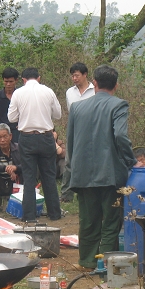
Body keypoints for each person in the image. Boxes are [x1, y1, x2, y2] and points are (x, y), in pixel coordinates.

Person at [67, 65, 135, 270]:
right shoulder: (118, 105)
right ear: (116, 85)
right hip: (110, 173)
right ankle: (106, 263)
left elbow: (70, 143)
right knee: (111, 221)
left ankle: (87, 261)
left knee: (88, 220)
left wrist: (72, 169)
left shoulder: (77, 107)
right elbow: (120, 135)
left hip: (82, 173)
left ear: (94, 83)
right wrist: (130, 161)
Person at [7, 67, 63, 222]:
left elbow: (11, 118)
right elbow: (58, 114)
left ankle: (29, 216)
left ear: (23, 80)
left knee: (29, 177)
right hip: (46, 137)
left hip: (27, 138)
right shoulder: (48, 91)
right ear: (39, 78)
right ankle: (54, 213)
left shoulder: (18, 93)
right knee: (49, 176)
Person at [61, 62, 95, 203]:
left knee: (90, 161)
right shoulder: (70, 92)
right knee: (69, 161)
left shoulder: (94, 91)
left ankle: (88, 192)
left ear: (85, 74)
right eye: (73, 76)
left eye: (77, 75)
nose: (74, 78)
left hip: (92, 130)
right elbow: (70, 112)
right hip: (74, 129)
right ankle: (66, 194)